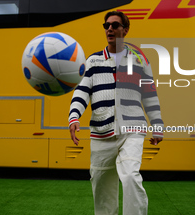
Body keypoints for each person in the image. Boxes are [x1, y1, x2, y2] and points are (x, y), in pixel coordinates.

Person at [68, 11, 164, 215]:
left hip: (133, 128)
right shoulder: (93, 61)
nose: (109, 28)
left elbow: (149, 94)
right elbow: (82, 91)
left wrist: (157, 125)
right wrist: (74, 116)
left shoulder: (139, 59)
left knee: (130, 176)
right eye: (106, 25)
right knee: (101, 184)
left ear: (125, 30)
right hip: (101, 132)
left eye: (114, 25)